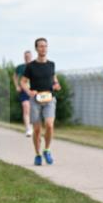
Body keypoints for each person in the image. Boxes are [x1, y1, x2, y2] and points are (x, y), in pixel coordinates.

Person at [21, 38, 60, 166]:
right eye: (41, 46)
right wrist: (28, 92)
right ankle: (37, 154)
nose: (43, 48)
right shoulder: (31, 66)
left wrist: (56, 84)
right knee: (37, 130)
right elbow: (23, 82)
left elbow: (54, 78)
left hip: (49, 98)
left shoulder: (51, 64)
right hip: (35, 100)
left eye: (45, 46)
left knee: (49, 125)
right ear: (36, 48)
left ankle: (47, 150)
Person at [14, 50, 34, 137]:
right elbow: (15, 76)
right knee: (26, 107)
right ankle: (28, 129)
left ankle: (32, 125)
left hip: (34, 91)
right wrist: (17, 86)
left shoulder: (35, 66)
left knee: (33, 109)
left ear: (31, 57)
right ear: (24, 57)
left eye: (29, 56)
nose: (27, 57)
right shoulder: (20, 67)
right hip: (24, 91)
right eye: (26, 56)